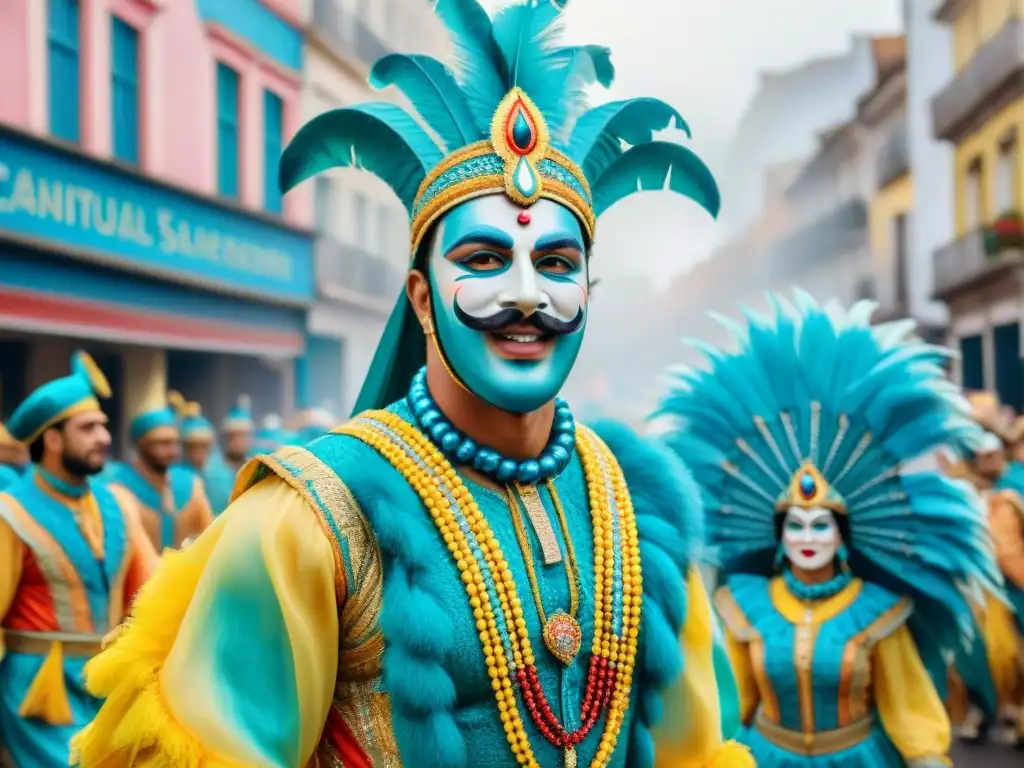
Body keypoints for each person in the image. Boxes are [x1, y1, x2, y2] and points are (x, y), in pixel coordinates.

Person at [70, 1, 751, 766]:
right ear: (423, 298)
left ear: (588, 292)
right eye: (486, 261)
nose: (527, 294)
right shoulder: (311, 516)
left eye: (556, 265)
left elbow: (695, 747)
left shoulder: (641, 506)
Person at [657, 293, 1000, 767]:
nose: (807, 537)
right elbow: (730, 704)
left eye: (821, 525)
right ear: (778, 536)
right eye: (795, 526)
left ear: (842, 535)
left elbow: (910, 709)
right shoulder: (745, 605)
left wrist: (925, 758)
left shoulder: (877, 611)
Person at [0, 351, 158, 767]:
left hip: (109, 685)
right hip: (39, 697)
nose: (105, 437)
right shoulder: (9, 513)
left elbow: (152, 597)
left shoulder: (119, 505)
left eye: (104, 425)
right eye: (88, 428)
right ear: (51, 439)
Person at [109, 396, 213, 552]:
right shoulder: (117, 487)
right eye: (163, 443)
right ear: (141, 445)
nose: (174, 451)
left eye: (176, 442)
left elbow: (209, 538)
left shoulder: (190, 485)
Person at [176, 396, 234, 518]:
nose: (198, 452)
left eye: (203, 446)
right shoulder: (176, 475)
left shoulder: (223, 475)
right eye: (193, 447)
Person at [221, 394, 254, 474]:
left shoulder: (254, 467)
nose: (240, 441)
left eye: (244, 436)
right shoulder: (219, 469)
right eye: (236, 436)